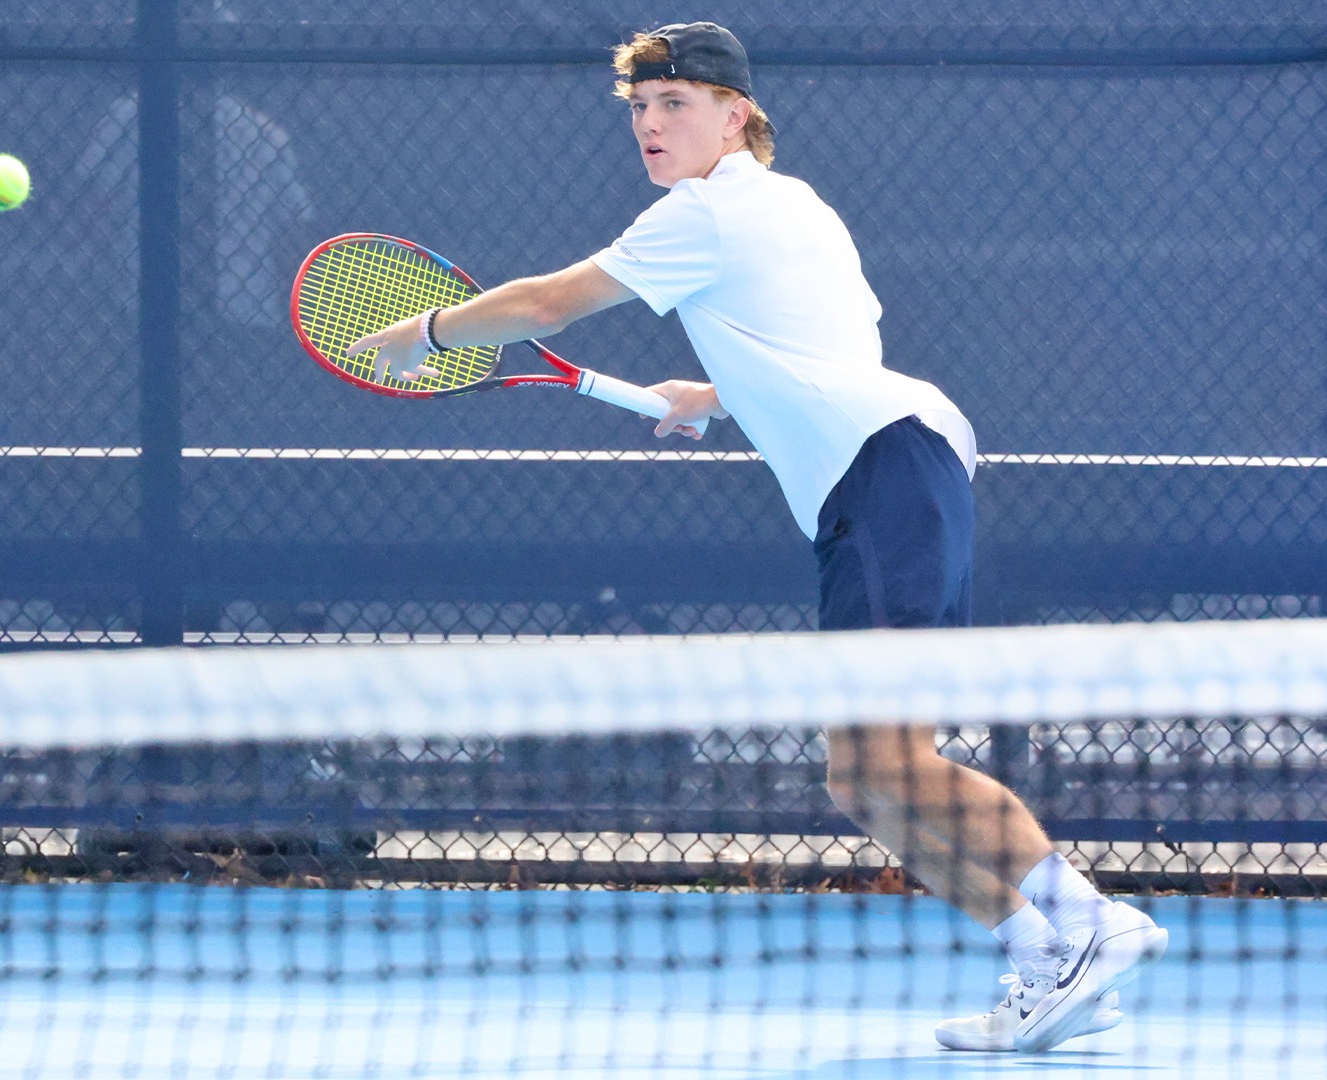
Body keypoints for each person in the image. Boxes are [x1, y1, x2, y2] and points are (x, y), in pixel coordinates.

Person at [348, 21, 1167, 1054]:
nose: (650, 124)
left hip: (878, 475)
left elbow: (551, 303)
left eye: (675, 103)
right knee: (875, 769)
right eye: (639, 108)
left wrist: (424, 331)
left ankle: (1088, 924)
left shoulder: (704, 212)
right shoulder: (796, 207)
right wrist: (715, 392)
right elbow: (824, 344)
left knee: (879, 761)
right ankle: (1050, 957)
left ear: (737, 116)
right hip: (907, 463)